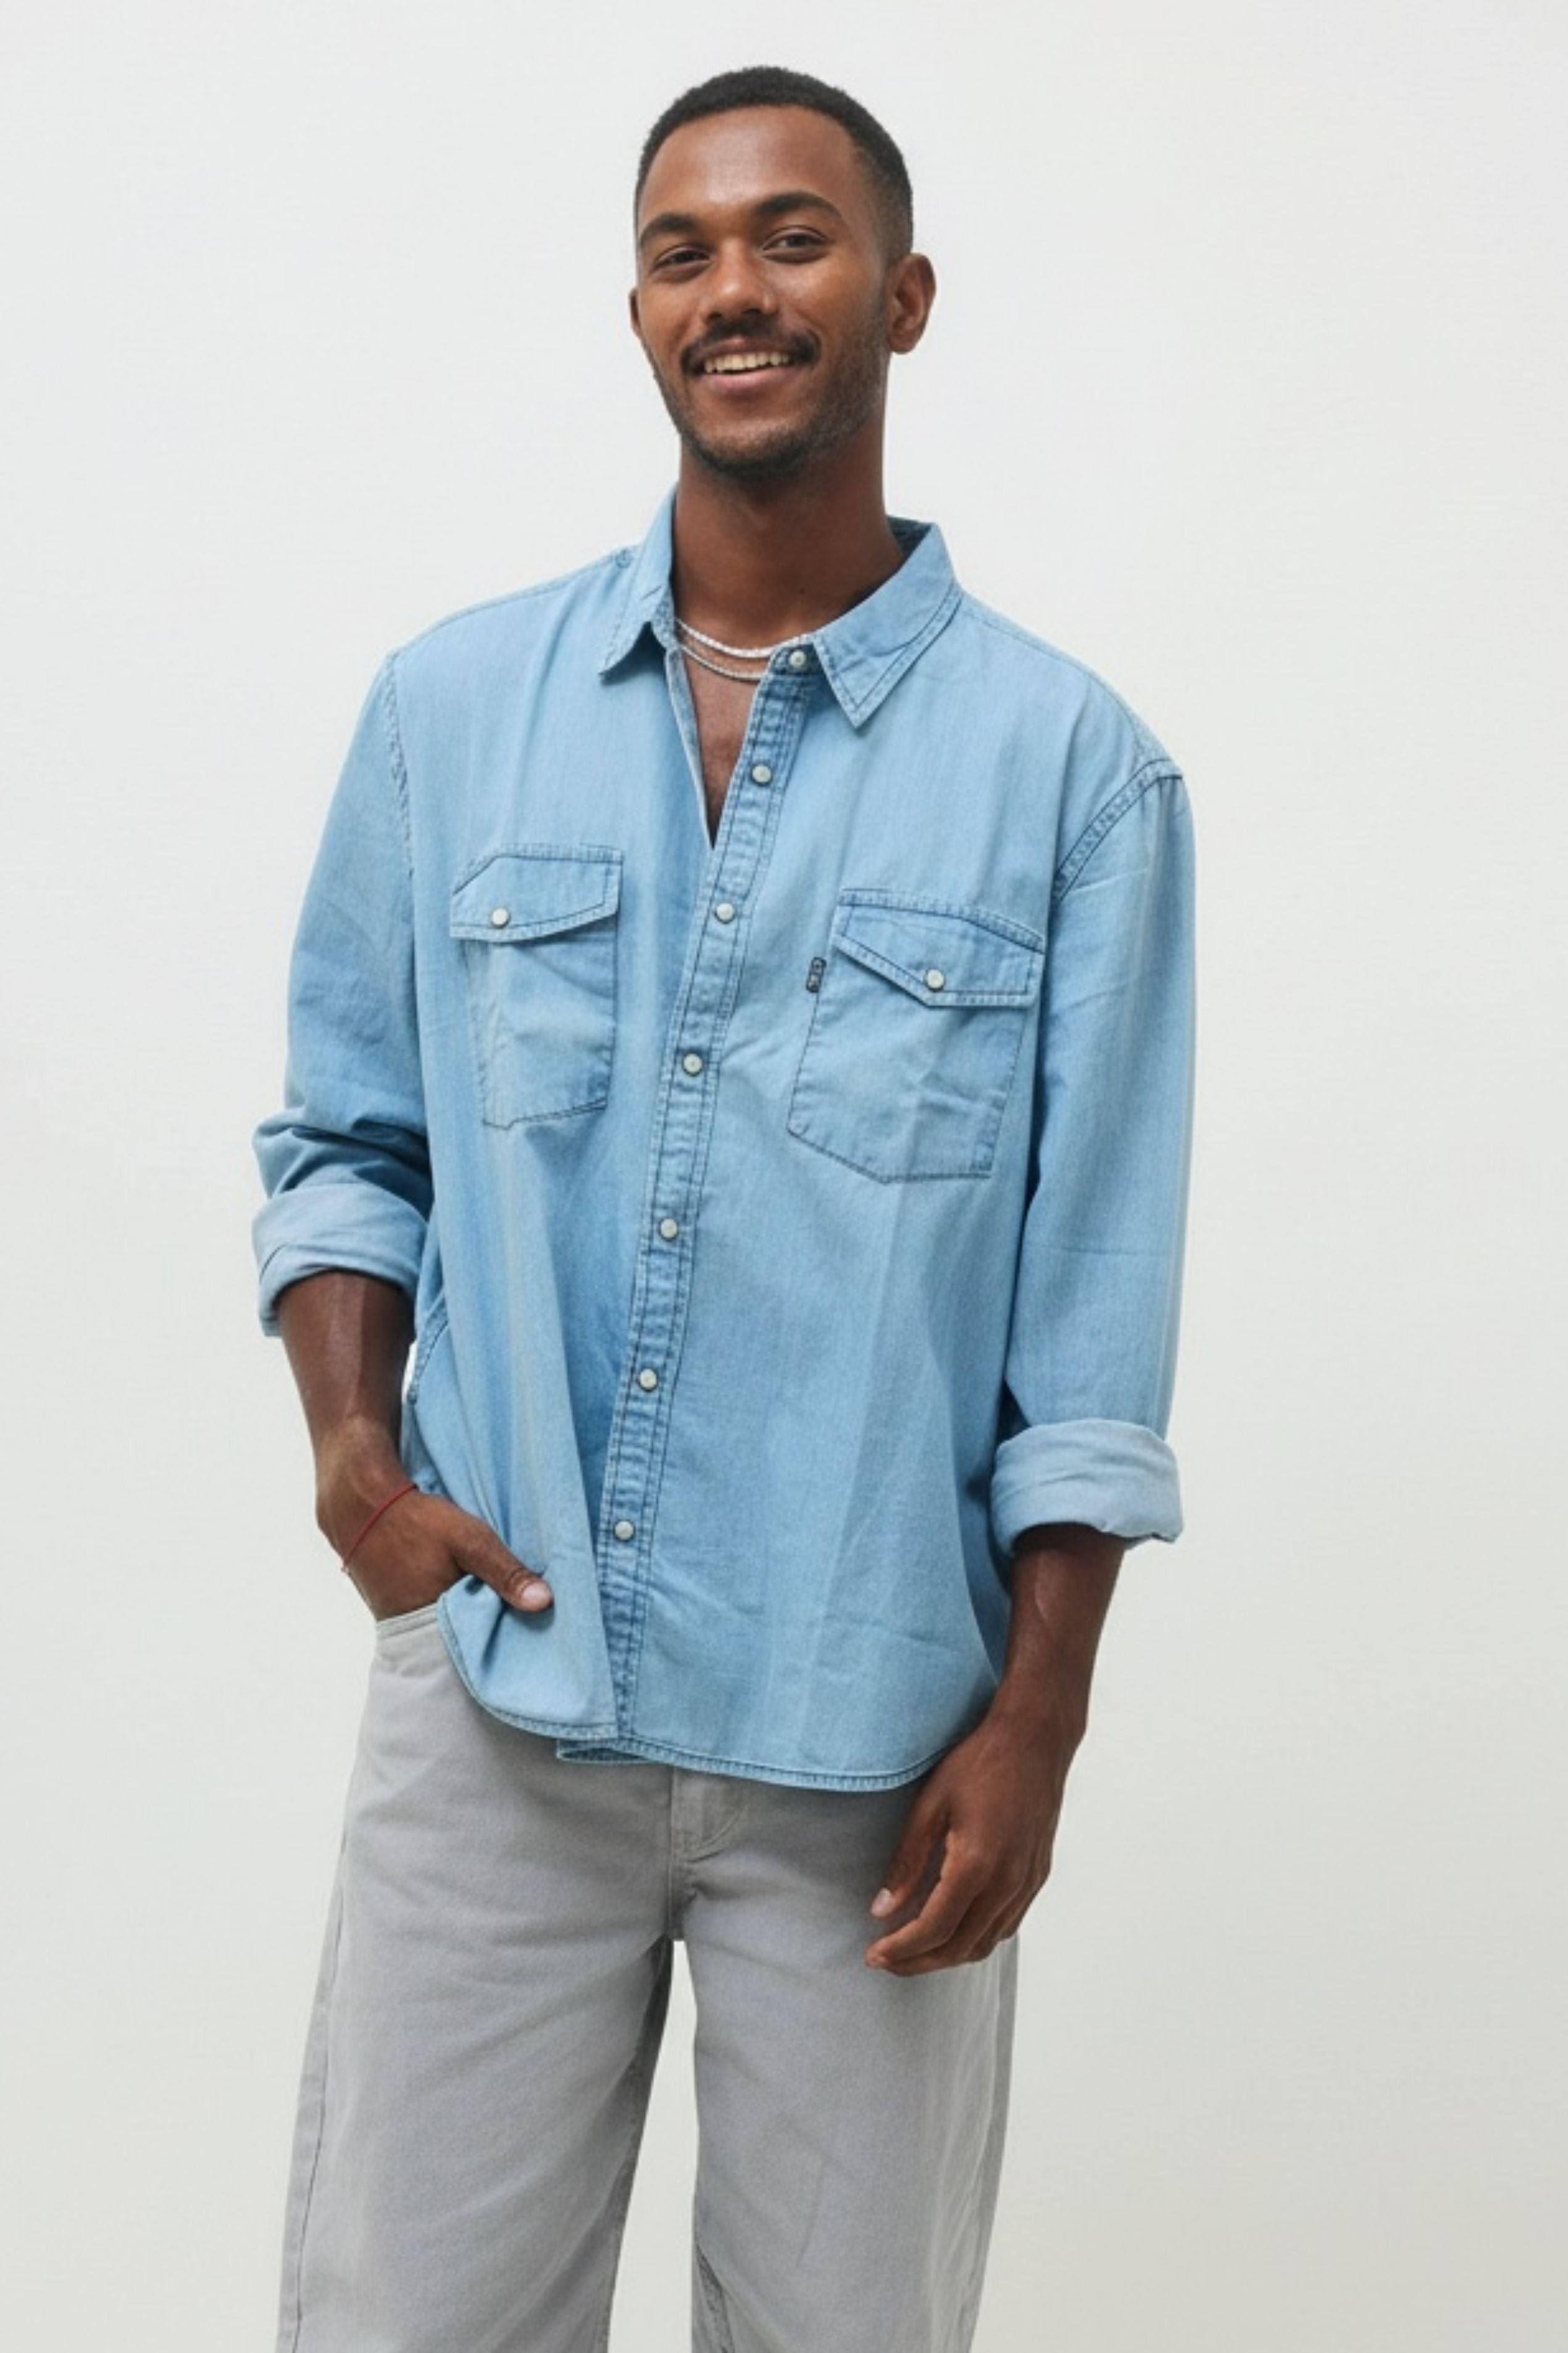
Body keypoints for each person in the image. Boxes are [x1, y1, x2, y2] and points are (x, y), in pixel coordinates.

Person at [251, 61, 1197, 2353]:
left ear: (905, 294)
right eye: (682, 252)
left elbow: (1088, 1322)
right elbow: (347, 1143)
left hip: (877, 1748)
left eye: (792, 237)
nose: (734, 290)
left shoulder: (1074, 774)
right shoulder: (452, 710)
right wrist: (355, 1458)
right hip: (502, 1707)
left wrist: (1042, 1720)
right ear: (641, 311)